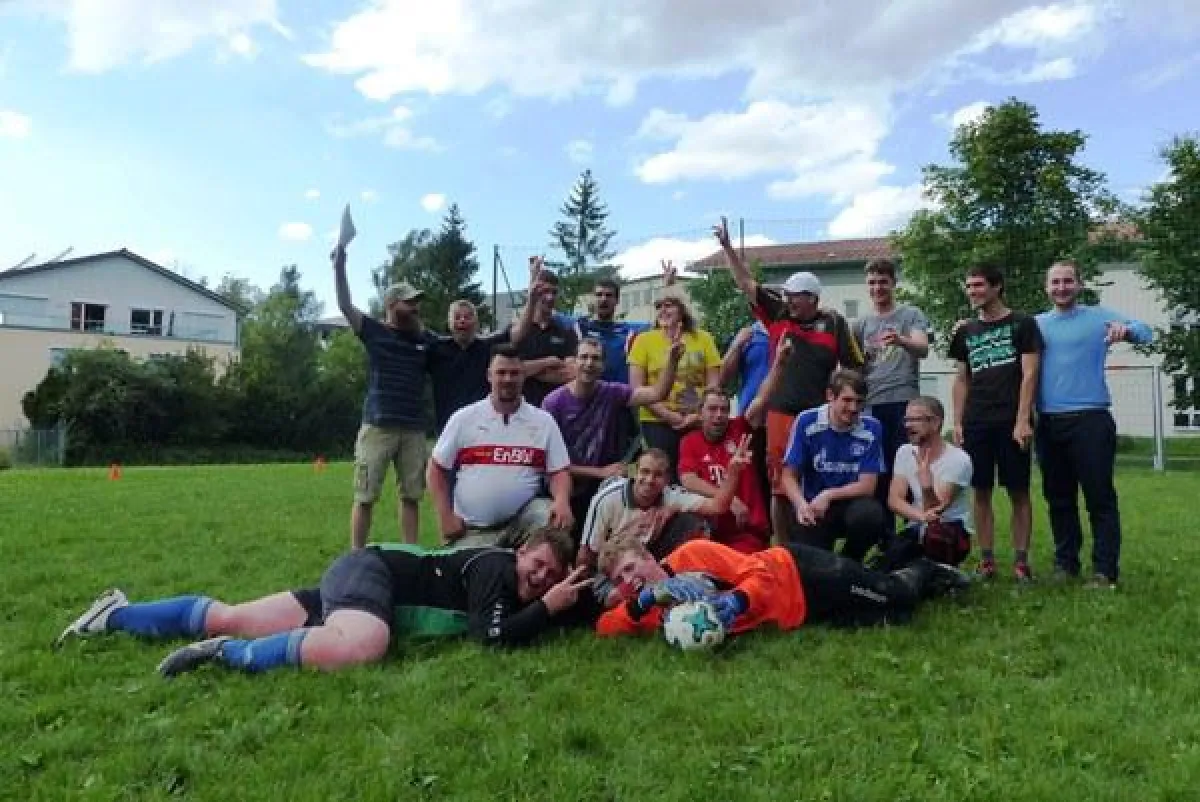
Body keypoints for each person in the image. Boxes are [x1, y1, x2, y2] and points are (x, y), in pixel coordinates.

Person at [56, 528, 588, 677]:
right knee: (364, 644)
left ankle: (114, 615)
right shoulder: (495, 566)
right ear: (520, 552)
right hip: (372, 573)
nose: (540, 577)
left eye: (550, 578)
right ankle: (225, 656)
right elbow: (490, 638)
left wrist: (574, 602)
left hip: (359, 578)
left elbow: (534, 620)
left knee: (235, 615)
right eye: (536, 565)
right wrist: (551, 607)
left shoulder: (515, 583)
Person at [713, 218, 863, 540]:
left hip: (819, 413)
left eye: (796, 296)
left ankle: (814, 540)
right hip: (780, 412)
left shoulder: (835, 324)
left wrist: (847, 403)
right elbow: (746, 284)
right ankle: (782, 547)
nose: (790, 300)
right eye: (788, 294)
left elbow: (854, 369)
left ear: (813, 298)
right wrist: (727, 248)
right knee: (779, 483)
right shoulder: (778, 314)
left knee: (814, 477)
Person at [592, 528, 971, 638]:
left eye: (630, 567)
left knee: (898, 599)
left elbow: (758, 574)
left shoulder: (692, 554)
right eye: (620, 579)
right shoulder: (645, 608)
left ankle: (924, 563)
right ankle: (892, 562)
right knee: (885, 621)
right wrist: (644, 601)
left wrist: (738, 601)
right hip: (798, 616)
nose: (629, 580)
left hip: (799, 573)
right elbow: (604, 628)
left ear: (646, 556)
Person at [1035, 260, 1153, 588]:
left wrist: (1127, 331)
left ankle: (1104, 571)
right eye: (1055, 282)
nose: (1061, 287)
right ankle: (1065, 564)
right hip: (1048, 422)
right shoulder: (1036, 324)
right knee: (1058, 498)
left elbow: (1147, 331)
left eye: (1068, 281)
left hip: (1091, 420)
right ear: (1046, 287)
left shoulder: (1099, 317)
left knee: (1099, 497)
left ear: (1079, 285)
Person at [332, 244, 436, 548]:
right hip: (378, 427)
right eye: (409, 302)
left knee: (412, 496)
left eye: (417, 303)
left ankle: (410, 552)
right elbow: (344, 304)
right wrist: (339, 267)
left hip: (414, 430)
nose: (415, 307)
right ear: (391, 304)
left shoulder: (424, 339)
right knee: (365, 497)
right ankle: (356, 555)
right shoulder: (374, 331)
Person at [426, 344, 574, 550]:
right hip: (473, 528)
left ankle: (538, 573)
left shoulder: (543, 422)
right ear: (489, 375)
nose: (507, 379)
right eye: (501, 372)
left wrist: (561, 500)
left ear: (524, 376)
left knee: (550, 514)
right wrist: (445, 516)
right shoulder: (464, 418)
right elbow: (436, 469)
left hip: (522, 525)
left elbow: (559, 471)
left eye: (514, 373)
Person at [948, 264, 1043, 582]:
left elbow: (1030, 373)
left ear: (997, 287)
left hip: (1011, 421)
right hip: (977, 421)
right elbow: (961, 379)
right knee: (981, 490)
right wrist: (958, 421)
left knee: (1018, 490)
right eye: (968, 286)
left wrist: (1022, 419)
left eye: (977, 285)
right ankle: (987, 561)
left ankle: (1021, 562)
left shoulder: (1023, 324)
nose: (971, 292)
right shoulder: (965, 331)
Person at [542, 336, 684, 538]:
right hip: (566, 485)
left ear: (603, 365)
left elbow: (656, 394)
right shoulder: (553, 403)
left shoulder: (612, 392)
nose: (589, 363)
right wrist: (599, 472)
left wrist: (672, 361)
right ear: (573, 361)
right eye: (584, 357)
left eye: (595, 358)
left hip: (604, 485)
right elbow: (549, 462)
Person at [576, 443, 750, 571]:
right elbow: (587, 553)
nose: (650, 480)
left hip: (649, 554)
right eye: (645, 472)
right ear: (635, 472)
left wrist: (733, 472)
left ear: (667, 479)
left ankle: (685, 575)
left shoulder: (670, 495)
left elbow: (718, 506)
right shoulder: (608, 499)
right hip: (612, 562)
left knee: (693, 522)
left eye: (658, 475)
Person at [853, 258, 931, 535]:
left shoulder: (910, 315)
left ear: (894, 283)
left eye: (883, 282)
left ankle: (916, 533)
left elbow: (922, 348)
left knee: (908, 470)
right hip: (871, 406)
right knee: (878, 474)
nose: (877, 288)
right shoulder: (861, 324)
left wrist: (901, 340)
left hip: (904, 403)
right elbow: (854, 367)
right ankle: (884, 539)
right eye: (872, 282)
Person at [628, 261, 721, 483]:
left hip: (696, 420)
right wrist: (670, 416)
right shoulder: (644, 340)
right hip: (657, 420)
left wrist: (696, 416)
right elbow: (637, 388)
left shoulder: (704, 339)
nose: (663, 310)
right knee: (661, 478)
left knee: (695, 477)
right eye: (659, 306)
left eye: (669, 305)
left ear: (682, 309)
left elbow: (714, 385)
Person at [780, 369, 886, 562]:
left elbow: (868, 486)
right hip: (813, 507)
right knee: (812, 568)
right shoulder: (806, 421)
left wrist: (828, 495)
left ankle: (850, 563)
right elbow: (788, 475)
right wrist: (801, 505)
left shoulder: (872, 427)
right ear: (830, 396)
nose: (853, 408)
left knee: (871, 516)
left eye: (859, 402)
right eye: (847, 400)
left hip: (851, 503)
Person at [884, 396, 974, 569]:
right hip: (918, 524)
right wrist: (920, 517)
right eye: (906, 419)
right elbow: (894, 500)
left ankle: (947, 573)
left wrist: (926, 486)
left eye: (915, 419)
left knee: (935, 536)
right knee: (890, 562)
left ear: (935, 422)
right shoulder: (904, 452)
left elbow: (936, 511)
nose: (908, 425)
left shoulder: (958, 460)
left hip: (949, 531)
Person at [678, 388, 771, 554]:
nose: (719, 414)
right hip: (709, 534)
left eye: (724, 409)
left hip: (747, 532)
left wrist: (779, 365)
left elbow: (762, 398)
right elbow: (688, 480)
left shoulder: (740, 429)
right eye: (712, 409)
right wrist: (729, 499)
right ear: (700, 413)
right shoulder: (690, 441)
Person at [428, 300, 531, 432]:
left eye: (468, 317)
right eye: (457, 317)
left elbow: (518, 333)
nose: (462, 320)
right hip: (447, 427)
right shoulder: (435, 349)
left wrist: (532, 298)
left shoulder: (488, 347)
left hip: (484, 427)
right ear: (449, 323)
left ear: (476, 323)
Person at [717, 321, 773, 503]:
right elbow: (723, 377)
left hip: (784, 414)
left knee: (780, 474)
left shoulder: (794, 330)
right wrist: (737, 345)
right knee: (752, 474)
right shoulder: (750, 334)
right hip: (751, 417)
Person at [514, 258, 579, 407]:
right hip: (524, 409)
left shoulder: (566, 332)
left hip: (558, 409)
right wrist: (548, 361)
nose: (550, 297)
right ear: (534, 293)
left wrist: (531, 370)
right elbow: (514, 369)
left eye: (554, 292)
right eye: (544, 292)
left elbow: (571, 373)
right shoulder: (518, 332)